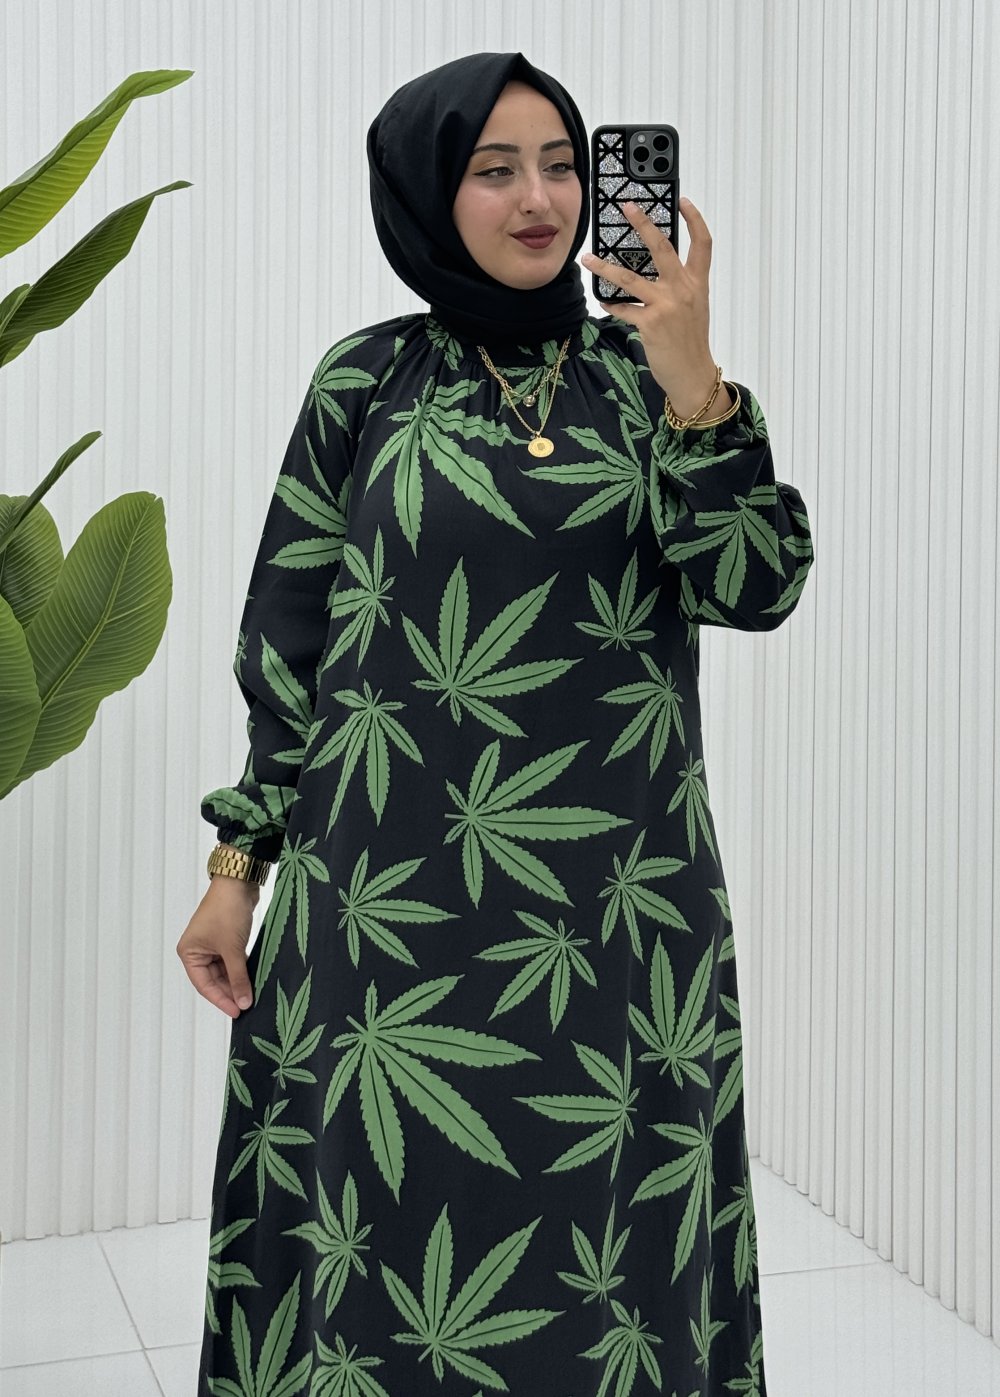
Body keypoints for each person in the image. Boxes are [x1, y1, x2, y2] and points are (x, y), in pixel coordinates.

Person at [178, 50, 813, 1396]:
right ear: (425, 190)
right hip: (388, 923)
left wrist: (697, 385)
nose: (542, 200)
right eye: (494, 169)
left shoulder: (651, 383)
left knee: (609, 1257)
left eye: (564, 166)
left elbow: (756, 588)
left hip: (616, 920)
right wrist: (239, 864)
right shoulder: (365, 382)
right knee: (385, 1240)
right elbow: (289, 640)